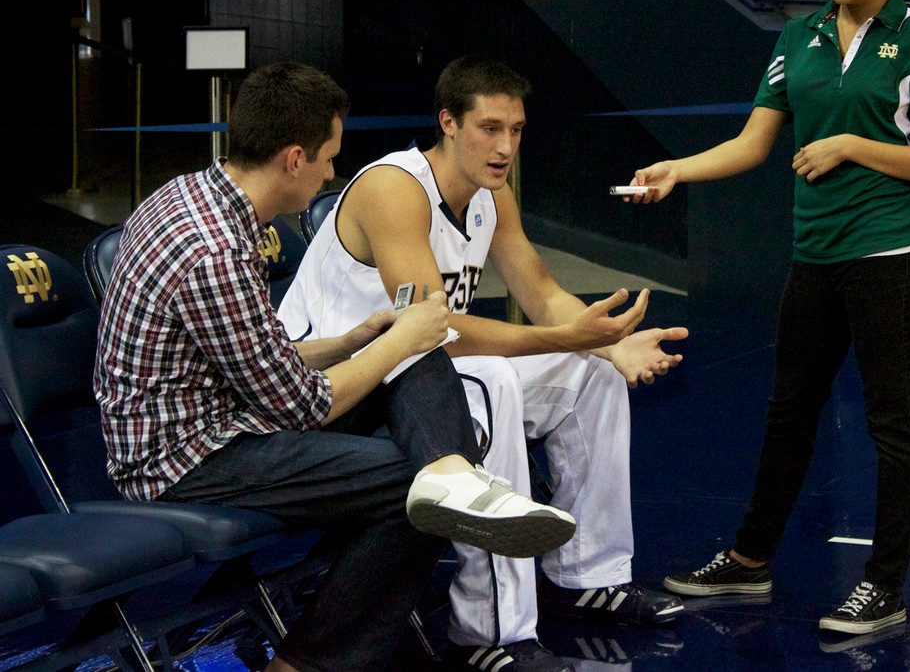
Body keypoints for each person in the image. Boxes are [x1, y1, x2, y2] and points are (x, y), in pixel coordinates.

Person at [94, 62, 576, 672]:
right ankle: (305, 663)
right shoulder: (214, 250)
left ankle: (450, 470)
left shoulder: (192, 198)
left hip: (224, 415)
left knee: (408, 360)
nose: (331, 173)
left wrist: (356, 340)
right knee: (415, 484)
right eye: (327, 158)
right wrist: (396, 343)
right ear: (295, 159)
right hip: (187, 459)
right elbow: (303, 406)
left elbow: (256, 356)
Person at [626, 0, 910, 635]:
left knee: (893, 420)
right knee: (789, 412)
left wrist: (852, 145)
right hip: (814, 254)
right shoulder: (799, 36)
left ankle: (884, 585)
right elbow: (754, 143)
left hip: (890, 254)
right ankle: (751, 560)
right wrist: (677, 169)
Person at [278, 55, 690, 672]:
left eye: (516, 130)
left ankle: (585, 576)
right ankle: (491, 635)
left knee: (591, 376)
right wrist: (567, 338)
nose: (505, 147)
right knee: (492, 379)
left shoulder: (491, 199)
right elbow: (432, 333)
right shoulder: (395, 188)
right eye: (489, 129)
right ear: (448, 122)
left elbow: (543, 294)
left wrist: (604, 343)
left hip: (416, 385)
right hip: (335, 392)